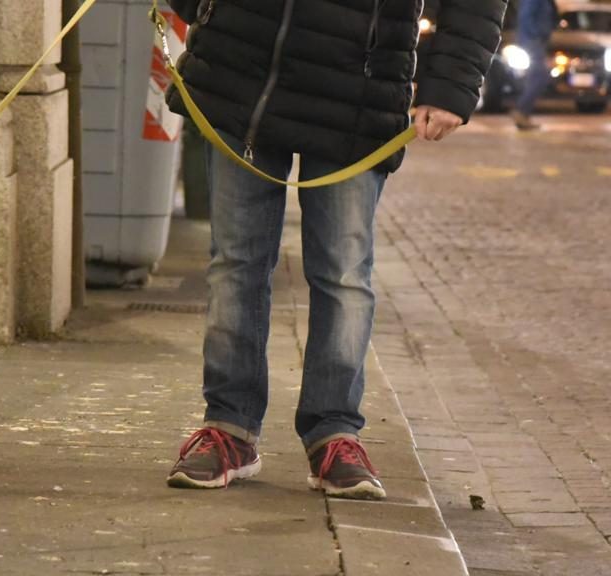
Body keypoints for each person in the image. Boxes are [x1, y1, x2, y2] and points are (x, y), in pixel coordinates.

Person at [163, 0, 507, 499]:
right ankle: (229, 428)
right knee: (235, 264)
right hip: (242, 73)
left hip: (360, 93)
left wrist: (452, 85)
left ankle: (334, 434)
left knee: (343, 275)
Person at [511, 0, 559, 130]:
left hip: (536, 41)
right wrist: (535, 37)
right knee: (540, 76)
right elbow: (526, 17)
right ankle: (521, 111)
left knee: (536, 77)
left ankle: (523, 114)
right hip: (532, 42)